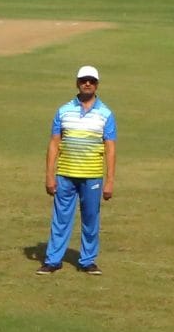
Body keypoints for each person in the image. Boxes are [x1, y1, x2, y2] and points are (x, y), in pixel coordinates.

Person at [40, 65, 117, 275]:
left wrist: (109, 180)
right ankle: (53, 260)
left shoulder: (106, 114)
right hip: (65, 174)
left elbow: (110, 148)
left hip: (92, 175)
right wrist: (49, 175)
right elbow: (54, 144)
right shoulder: (64, 111)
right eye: (84, 80)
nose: (87, 84)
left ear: (97, 84)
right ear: (77, 83)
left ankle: (87, 261)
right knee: (61, 219)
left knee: (91, 219)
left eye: (91, 80)